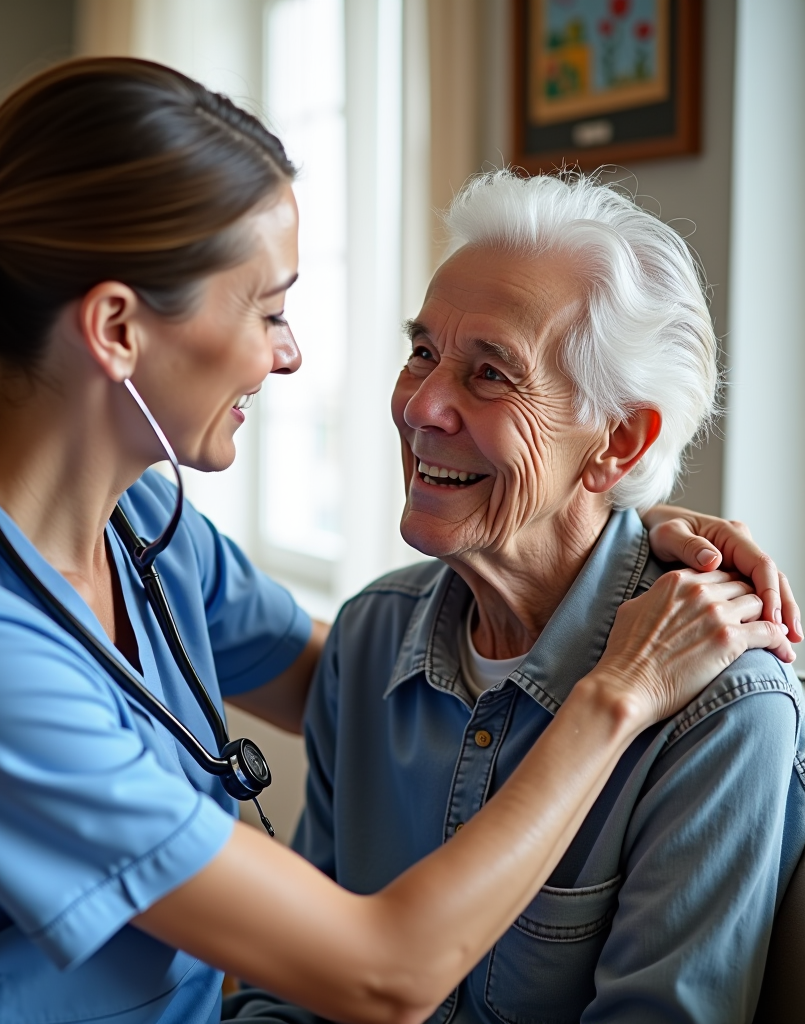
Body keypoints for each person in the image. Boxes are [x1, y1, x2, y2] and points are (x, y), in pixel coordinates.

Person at [0, 61, 795, 1024]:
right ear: (118, 330)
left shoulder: (142, 531)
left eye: (489, 371)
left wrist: (620, 530)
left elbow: (364, 682)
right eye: (269, 309)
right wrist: (616, 691)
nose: (292, 352)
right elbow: (380, 969)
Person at [241, 170, 805, 1024]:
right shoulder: (368, 637)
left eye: (490, 374)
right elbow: (299, 986)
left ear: (618, 442)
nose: (421, 406)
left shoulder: (722, 704)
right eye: (422, 352)